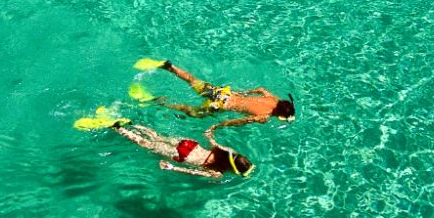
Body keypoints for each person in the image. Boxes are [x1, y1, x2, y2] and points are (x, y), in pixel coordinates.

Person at [74, 108, 255, 180]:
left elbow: (212, 140)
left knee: (156, 135)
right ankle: (115, 127)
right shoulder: (218, 174)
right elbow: (193, 171)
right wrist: (172, 168)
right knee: (146, 144)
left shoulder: (229, 152)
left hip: (190, 144)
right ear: (235, 170)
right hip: (185, 156)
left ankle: (129, 123)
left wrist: (209, 135)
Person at [130, 58, 295, 133]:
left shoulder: (273, 98)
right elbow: (240, 121)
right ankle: (159, 101)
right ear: (279, 114)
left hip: (223, 93)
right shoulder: (264, 117)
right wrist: (220, 125)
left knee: (193, 80)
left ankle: (169, 67)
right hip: (219, 105)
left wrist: (245, 93)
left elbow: (261, 89)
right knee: (192, 112)